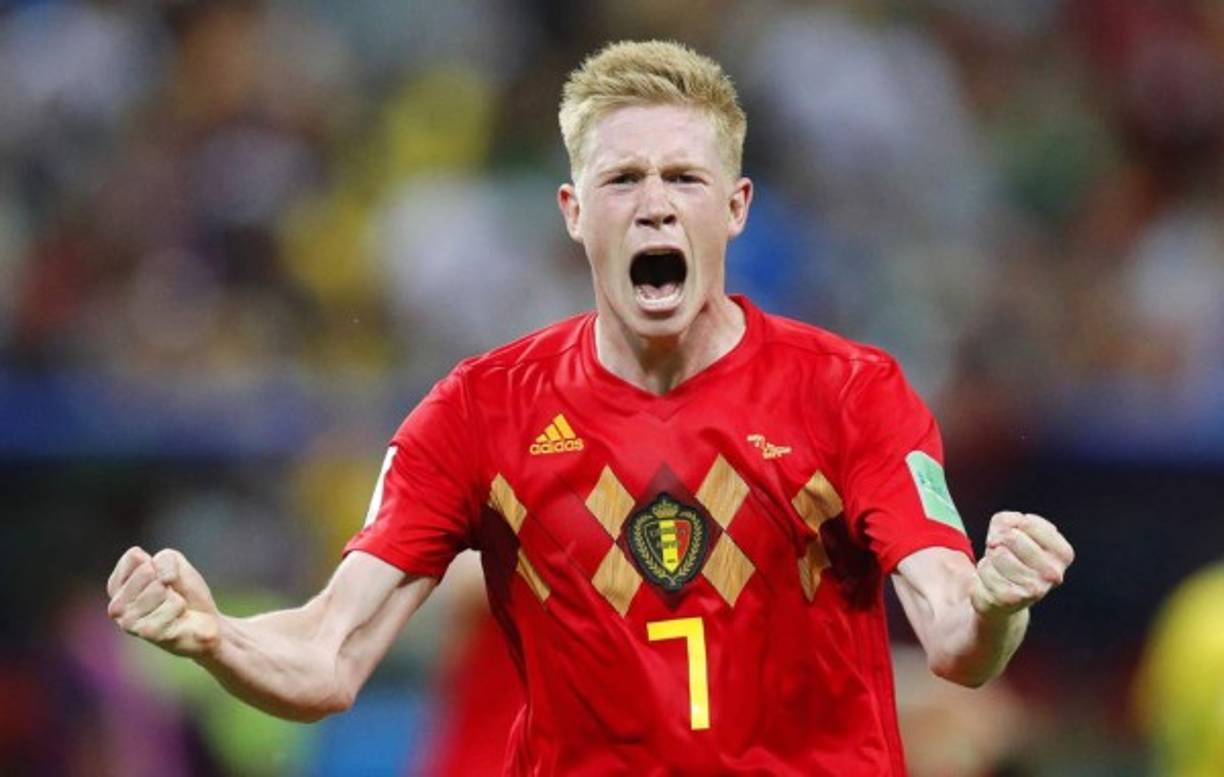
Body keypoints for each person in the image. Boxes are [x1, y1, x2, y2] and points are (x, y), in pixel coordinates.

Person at [105, 40, 1075, 775]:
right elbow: (329, 655)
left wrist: (999, 606)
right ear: (574, 211)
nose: (655, 204)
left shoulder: (852, 392)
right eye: (623, 179)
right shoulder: (478, 412)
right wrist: (216, 639)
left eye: (684, 177)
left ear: (735, 207)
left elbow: (957, 639)